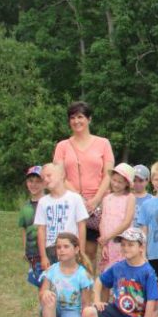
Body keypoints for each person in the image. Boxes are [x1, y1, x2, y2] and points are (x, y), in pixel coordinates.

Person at [74, 228, 158, 317]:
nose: (125, 248)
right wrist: (96, 300)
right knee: (87, 312)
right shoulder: (118, 266)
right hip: (117, 310)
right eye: (123, 244)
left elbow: (152, 301)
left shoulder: (148, 272)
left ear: (141, 247)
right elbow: (99, 281)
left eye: (130, 245)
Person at [53, 101, 114, 265]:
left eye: (80, 117)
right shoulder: (62, 146)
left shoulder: (103, 143)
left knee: (90, 252)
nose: (76, 121)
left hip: (97, 204)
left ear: (89, 119)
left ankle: (87, 287)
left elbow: (108, 174)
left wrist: (95, 200)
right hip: (70, 201)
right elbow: (59, 175)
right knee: (68, 248)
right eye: (72, 117)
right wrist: (78, 197)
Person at [39, 232, 93, 317]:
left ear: (76, 249)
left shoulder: (82, 274)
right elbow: (42, 293)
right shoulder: (52, 269)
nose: (61, 250)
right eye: (58, 247)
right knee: (49, 298)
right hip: (54, 309)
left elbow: (86, 303)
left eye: (66, 246)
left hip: (72, 311)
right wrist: (45, 293)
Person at [35, 163, 88, 271]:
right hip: (51, 249)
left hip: (71, 248)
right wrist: (43, 256)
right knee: (52, 283)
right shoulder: (43, 202)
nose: (45, 179)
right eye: (43, 178)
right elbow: (41, 230)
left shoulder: (75, 198)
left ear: (61, 175)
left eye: (49, 175)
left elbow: (81, 226)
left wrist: (81, 252)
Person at [19, 165, 45, 317]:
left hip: (46, 251)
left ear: (44, 183)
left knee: (47, 284)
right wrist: (25, 250)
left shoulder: (48, 203)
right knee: (39, 285)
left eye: (38, 181)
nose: (34, 184)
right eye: (31, 181)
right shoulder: (25, 207)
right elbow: (23, 229)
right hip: (32, 251)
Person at [98, 163, 136, 272]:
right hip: (108, 242)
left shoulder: (130, 198)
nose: (116, 184)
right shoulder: (107, 198)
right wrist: (104, 241)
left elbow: (127, 222)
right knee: (107, 271)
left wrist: (109, 236)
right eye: (114, 180)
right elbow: (103, 221)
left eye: (120, 182)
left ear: (127, 184)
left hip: (122, 241)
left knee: (122, 270)